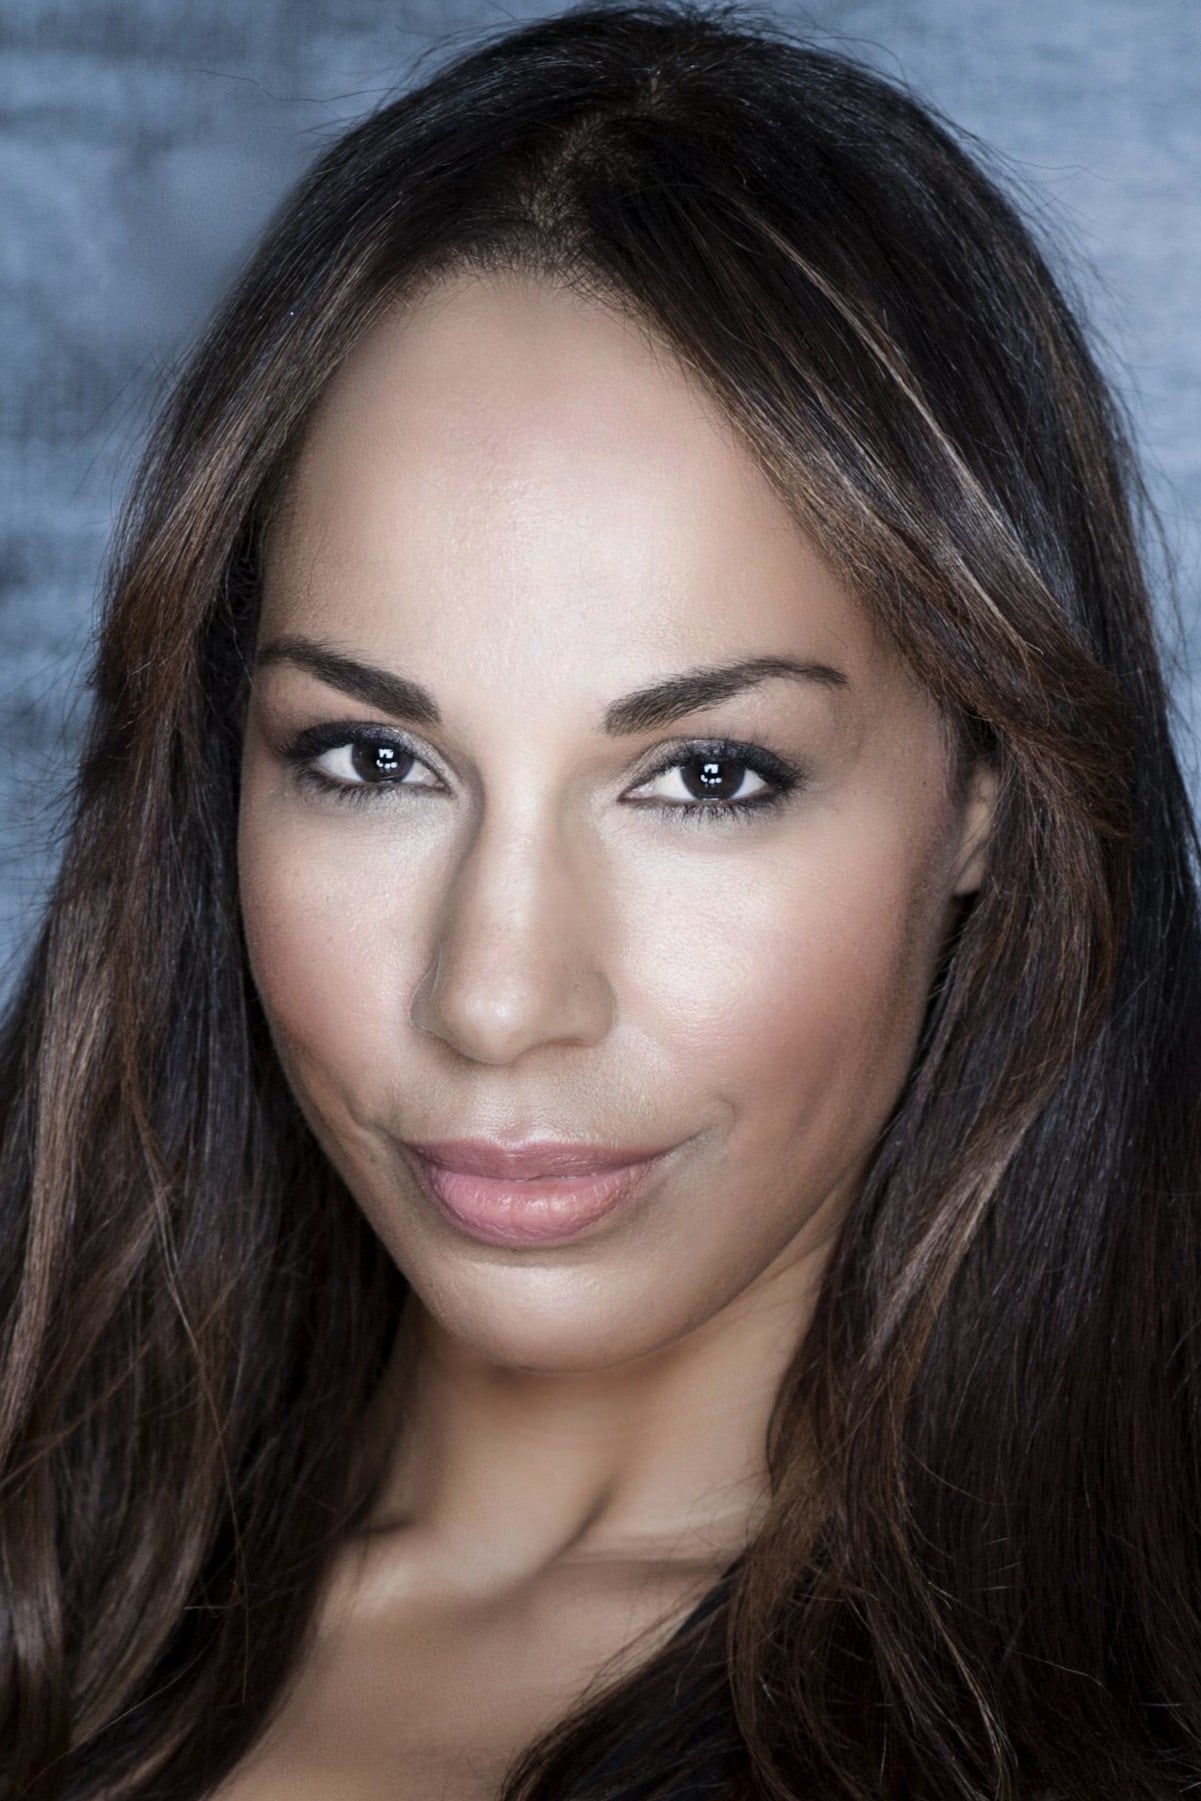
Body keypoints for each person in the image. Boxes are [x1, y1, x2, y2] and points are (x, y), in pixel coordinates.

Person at [1, 3, 1198, 1796]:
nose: (495, 997)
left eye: (705, 776)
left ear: (987, 795)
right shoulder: (58, 1567)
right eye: (370, 758)